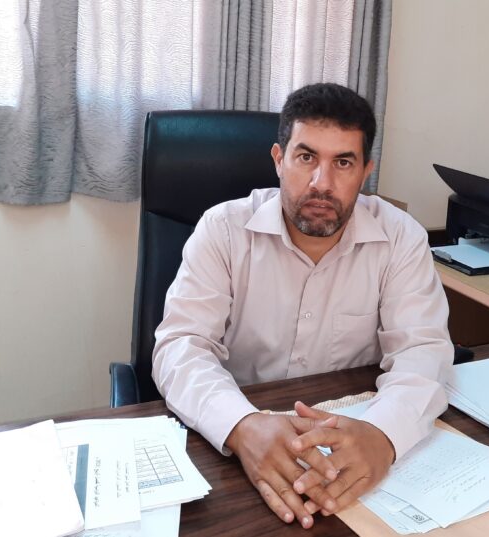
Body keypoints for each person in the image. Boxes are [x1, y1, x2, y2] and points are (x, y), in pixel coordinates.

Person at [152, 82, 453, 529]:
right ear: (279, 159)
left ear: (366, 171)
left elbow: (423, 350)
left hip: (350, 438)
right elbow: (181, 346)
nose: (321, 183)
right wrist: (241, 425)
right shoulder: (223, 229)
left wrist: (383, 435)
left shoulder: (401, 238)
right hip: (238, 437)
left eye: (343, 162)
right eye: (306, 157)